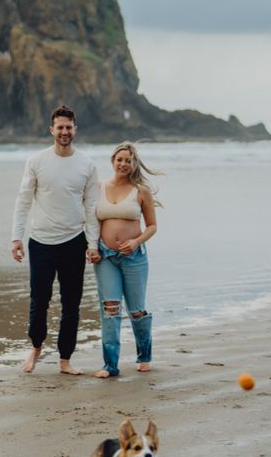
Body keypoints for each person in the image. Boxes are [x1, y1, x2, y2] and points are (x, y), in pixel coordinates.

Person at [11, 104, 100, 375]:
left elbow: (91, 207)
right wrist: (16, 237)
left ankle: (65, 359)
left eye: (68, 127)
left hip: (74, 242)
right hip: (41, 242)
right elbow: (23, 201)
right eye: (60, 127)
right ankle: (36, 347)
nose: (64, 132)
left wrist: (93, 244)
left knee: (71, 304)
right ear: (52, 129)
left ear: (75, 130)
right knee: (39, 300)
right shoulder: (37, 161)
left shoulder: (87, 164)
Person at [89, 141, 161, 377]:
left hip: (134, 258)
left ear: (133, 164)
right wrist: (91, 247)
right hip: (105, 257)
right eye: (120, 159)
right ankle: (110, 365)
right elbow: (91, 222)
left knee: (137, 310)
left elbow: (152, 226)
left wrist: (136, 242)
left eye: (128, 160)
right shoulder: (98, 187)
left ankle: (144, 356)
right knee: (110, 308)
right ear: (112, 161)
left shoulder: (141, 191)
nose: (123, 164)